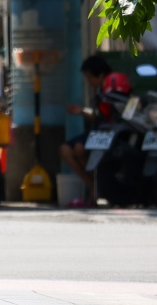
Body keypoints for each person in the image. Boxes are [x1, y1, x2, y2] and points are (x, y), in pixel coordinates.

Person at [59, 53, 113, 205]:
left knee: (79, 148)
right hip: (95, 130)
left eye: (89, 77)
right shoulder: (98, 92)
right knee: (65, 150)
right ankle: (92, 185)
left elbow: (104, 117)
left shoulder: (111, 88)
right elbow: (96, 116)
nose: (88, 81)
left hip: (106, 132)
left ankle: (97, 188)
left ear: (100, 74)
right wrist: (81, 112)